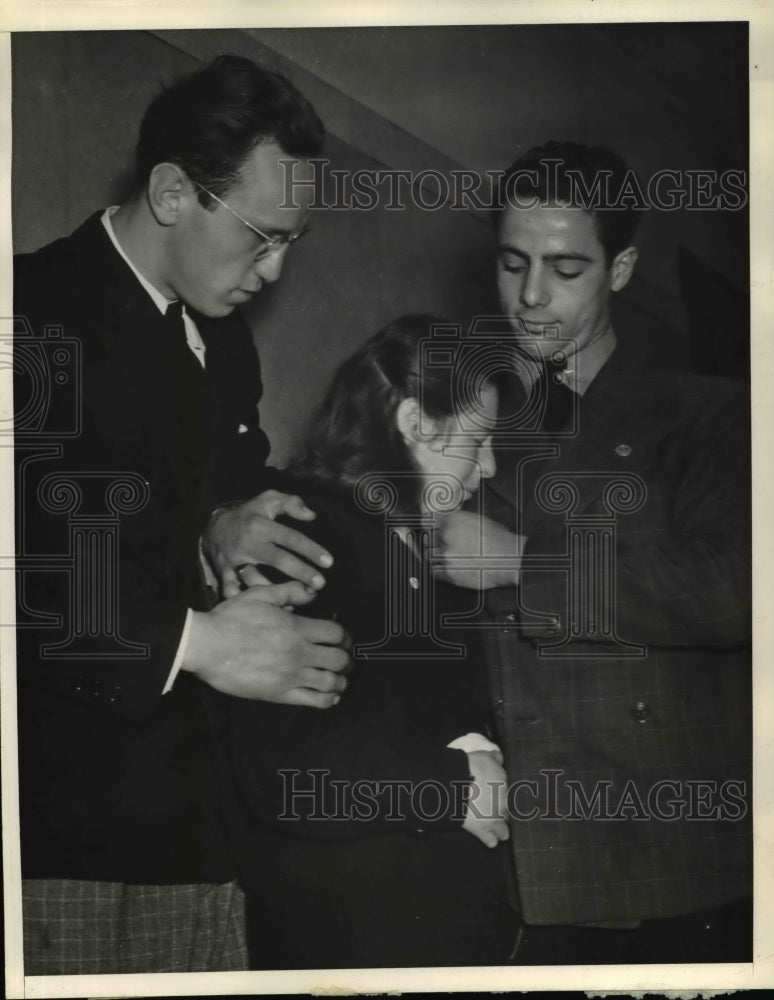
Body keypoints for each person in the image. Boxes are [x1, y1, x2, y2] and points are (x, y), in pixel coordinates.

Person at [13, 55, 350, 975]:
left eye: (294, 242)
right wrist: (198, 645)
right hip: (64, 839)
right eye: (262, 236)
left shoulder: (226, 345)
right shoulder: (29, 313)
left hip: (205, 827)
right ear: (172, 192)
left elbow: (188, 496)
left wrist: (222, 524)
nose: (275, 271)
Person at [437, 141, 752, 963]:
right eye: (512, 264)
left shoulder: (709, 416)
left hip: (660, 858)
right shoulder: (456, 416)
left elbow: (736, 590)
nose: (531, 297)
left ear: (622, 269)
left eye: (566, 268)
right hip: (496, 856)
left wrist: (521, 564)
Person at [210, 315, 520, 969]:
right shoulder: (303, 534)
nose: (487, 467)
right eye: (479, 440)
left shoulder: (426, 544)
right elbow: (285, 772)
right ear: (413, 424)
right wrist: (452, 784)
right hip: (345, 939)